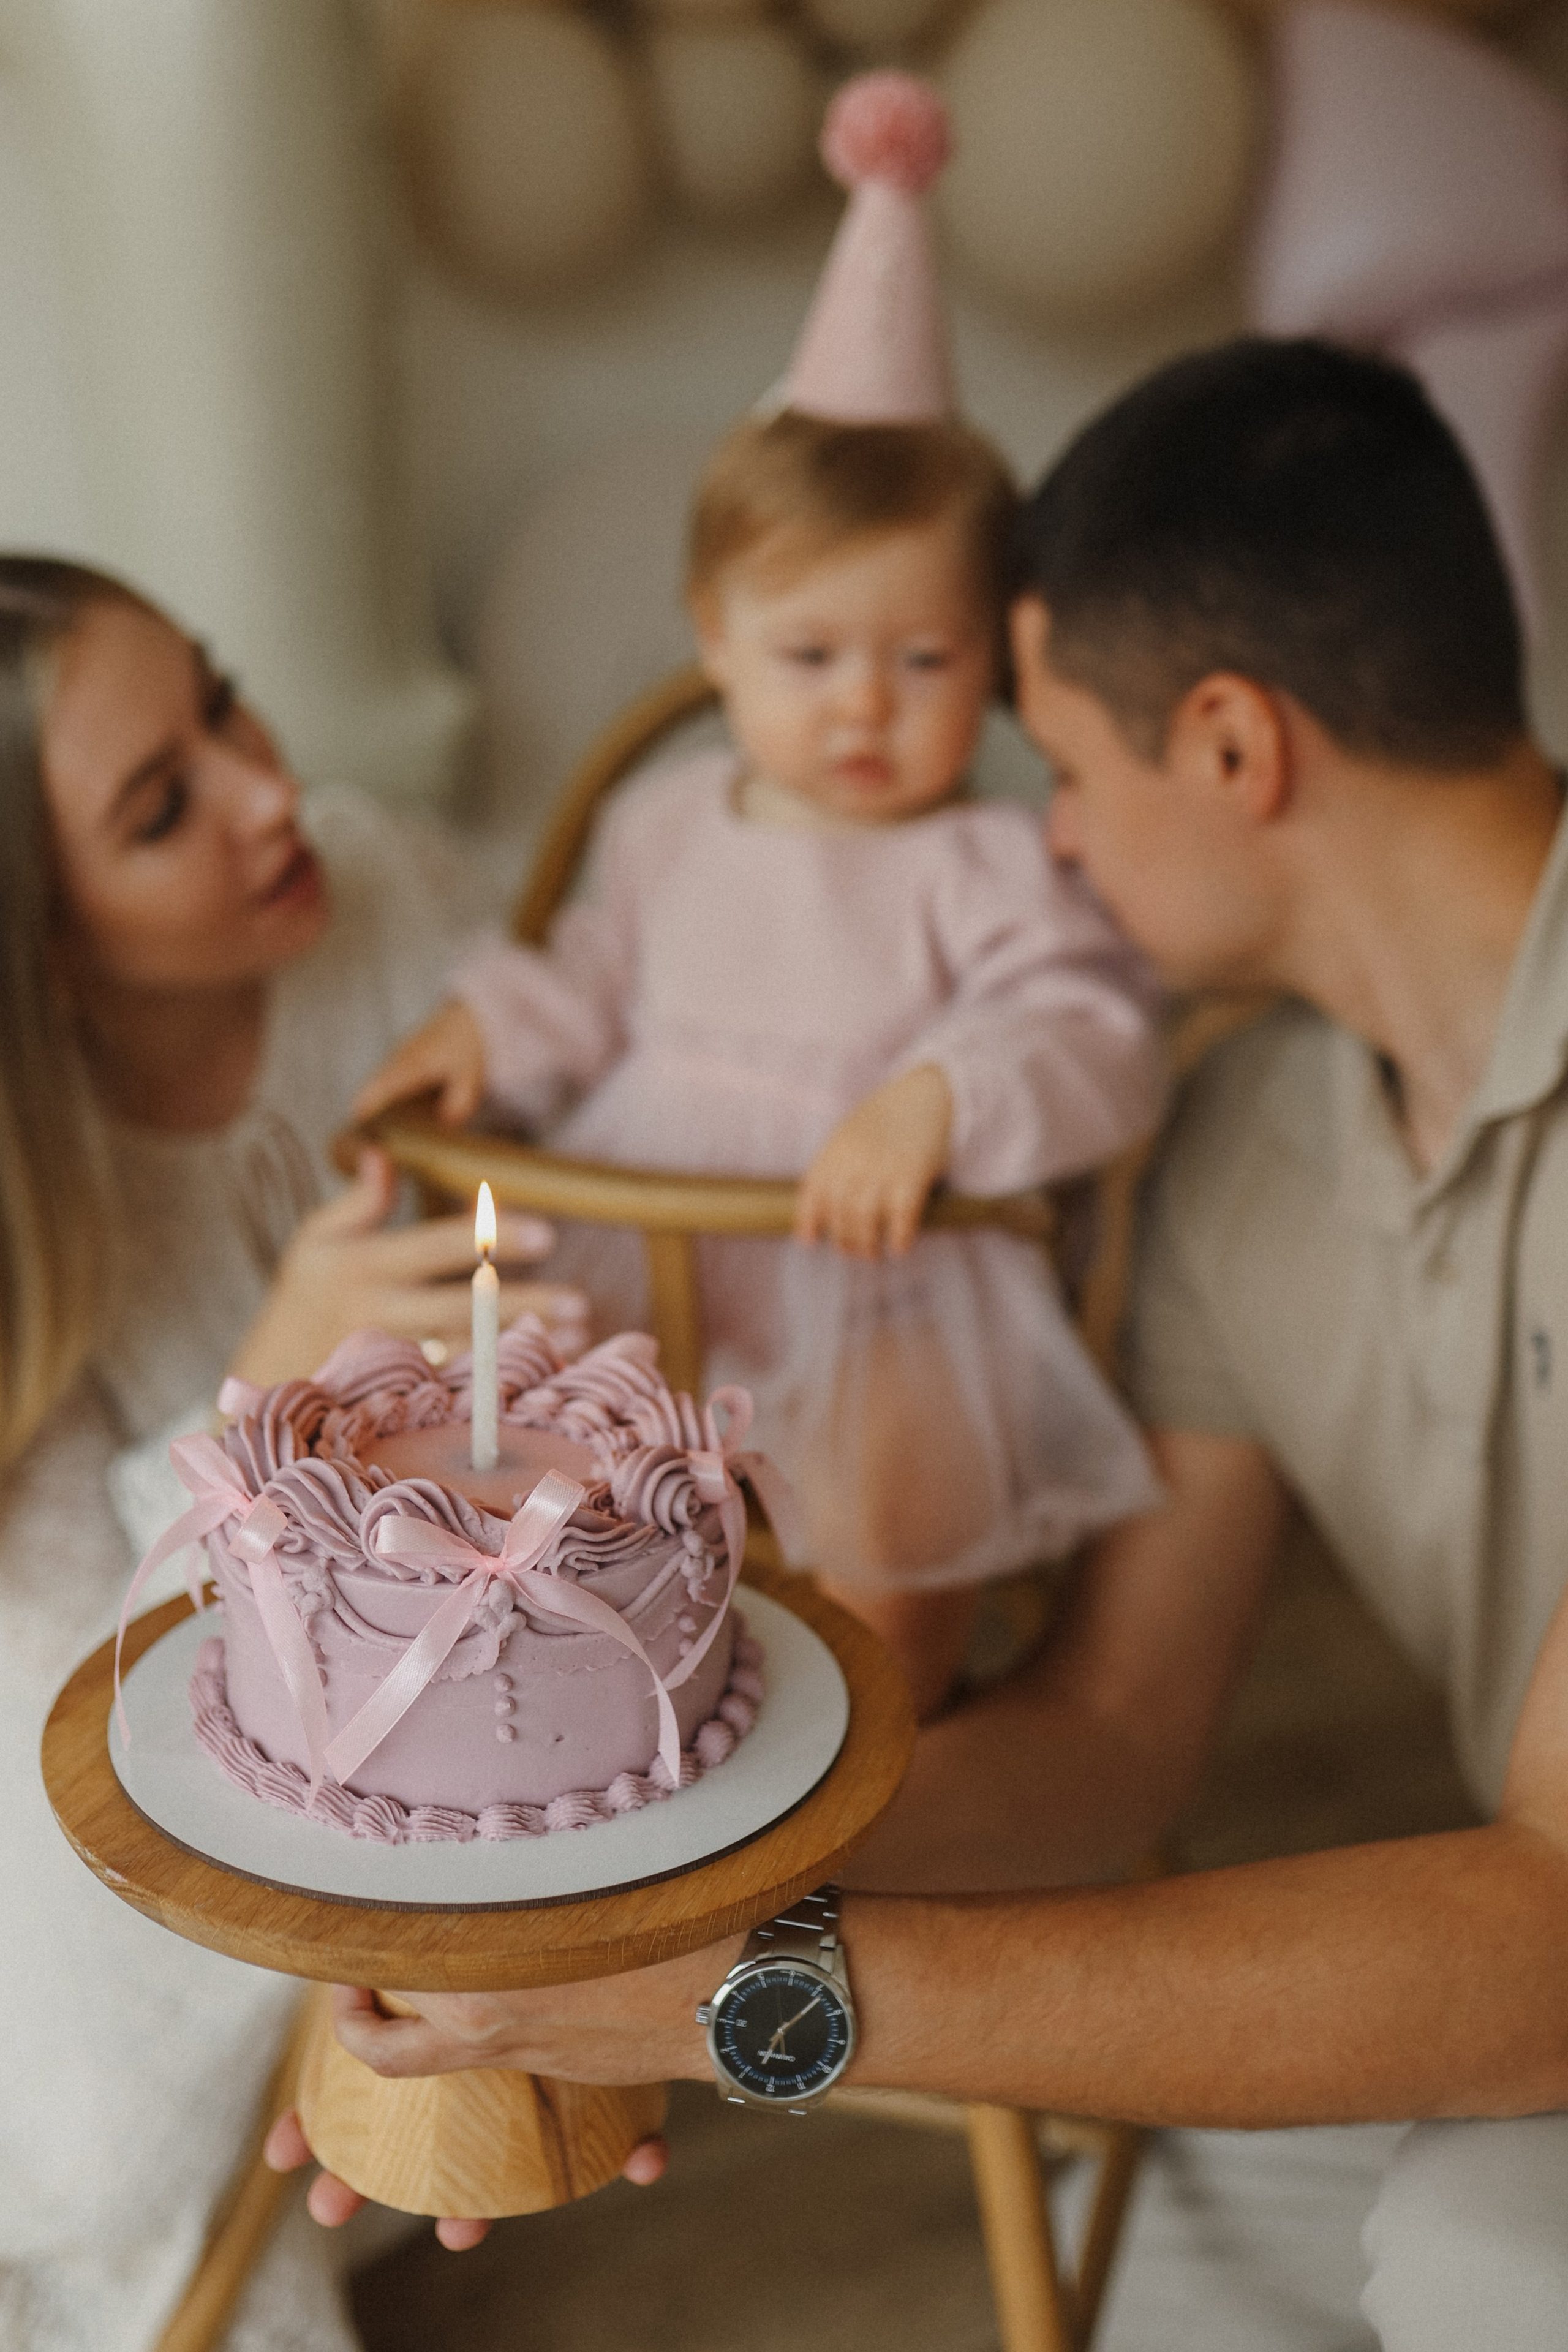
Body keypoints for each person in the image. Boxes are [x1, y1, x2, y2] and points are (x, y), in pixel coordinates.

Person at [285, 341, 1568, 2349]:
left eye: (1051, 757)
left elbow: (1550, 1947)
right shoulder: (1248, 1146)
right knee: (1167, 2271)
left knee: (1475, 2263)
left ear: (1231, 748)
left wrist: (728, 1999)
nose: (1042, 837)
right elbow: (1110, 1744)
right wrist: (614, 1886)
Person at [354, 74, 1167, 1720]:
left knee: (903, 1507)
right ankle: (596, 1718)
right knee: (538, 1432)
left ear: (994, 665)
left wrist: (945, 1091)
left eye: (922, 660)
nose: (864, 708)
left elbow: (1096, 1036)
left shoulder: (987, 862)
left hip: (874, 1273)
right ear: (714, 640)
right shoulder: (665, 823)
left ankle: (884, 1743)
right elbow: (580, 974)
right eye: (809, 658)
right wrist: (479, 1025)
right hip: (652, 1235)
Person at [0, 556, 588, 2352]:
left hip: (473, 1669)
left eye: (224, 699)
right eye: (164, 808)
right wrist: (258, 1393)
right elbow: (84, 1663)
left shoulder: (393, 900)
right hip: (165, 1702)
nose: (275, 795)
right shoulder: (49, 1192)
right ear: (41, 943)